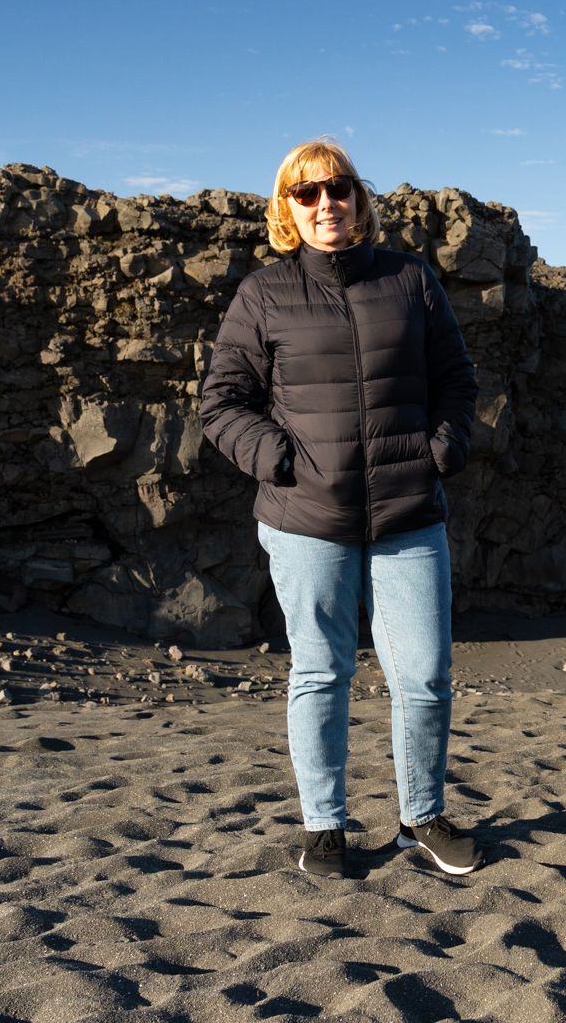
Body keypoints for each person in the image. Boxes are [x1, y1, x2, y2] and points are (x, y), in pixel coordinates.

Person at [200, 137, 482, 879]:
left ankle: (420, 816)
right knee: (320, 673)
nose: (326, 203)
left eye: (339, 188)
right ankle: (324, 828)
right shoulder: (264, 293)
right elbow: (221, 403)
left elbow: (457, 379)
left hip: (408, 513)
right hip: (306, 520)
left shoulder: (411, 280)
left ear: (359, 199)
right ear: (288, 208)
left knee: (423, 675)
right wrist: (279, 459)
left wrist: (443, 447)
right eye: (308, 192)